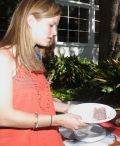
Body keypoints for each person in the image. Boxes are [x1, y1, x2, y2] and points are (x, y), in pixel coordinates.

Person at [0, 0, 86, 146]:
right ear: (31, 20)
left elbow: (35, 101)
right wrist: (58, 120)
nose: (54, 33)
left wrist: (68, 108)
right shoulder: (3, 58)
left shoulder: (31, 59)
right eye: (51, 25)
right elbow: (3, 116)